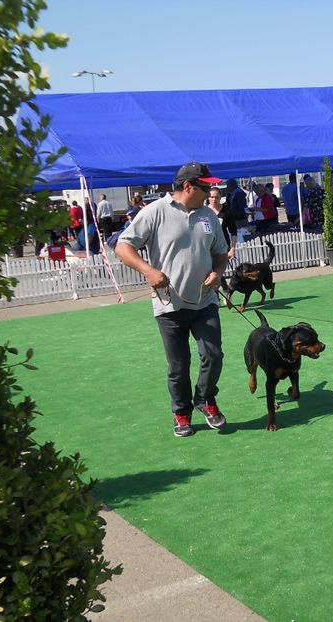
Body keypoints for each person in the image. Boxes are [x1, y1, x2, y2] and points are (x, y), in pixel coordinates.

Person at [115, 162, 229, 438]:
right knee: (179, 366)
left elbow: (221, 254)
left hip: (205, 301)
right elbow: (122, 245)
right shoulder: (154, 211)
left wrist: (217, 273)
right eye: (206, 187)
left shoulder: (209, 216)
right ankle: (181, 413)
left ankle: (205, 400)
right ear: (188, 186)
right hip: (169, 305)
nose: (211, 192)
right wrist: (149, 271)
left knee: (212, 355)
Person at [207, 187, 237, 261]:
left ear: (220, 197)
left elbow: (233, 231)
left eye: (216, 197)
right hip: (207, 248)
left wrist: (232, 249)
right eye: (212, 197)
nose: (214, 199)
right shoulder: (204, 211)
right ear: (208, 198)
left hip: (223, 247)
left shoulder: (226, 212)